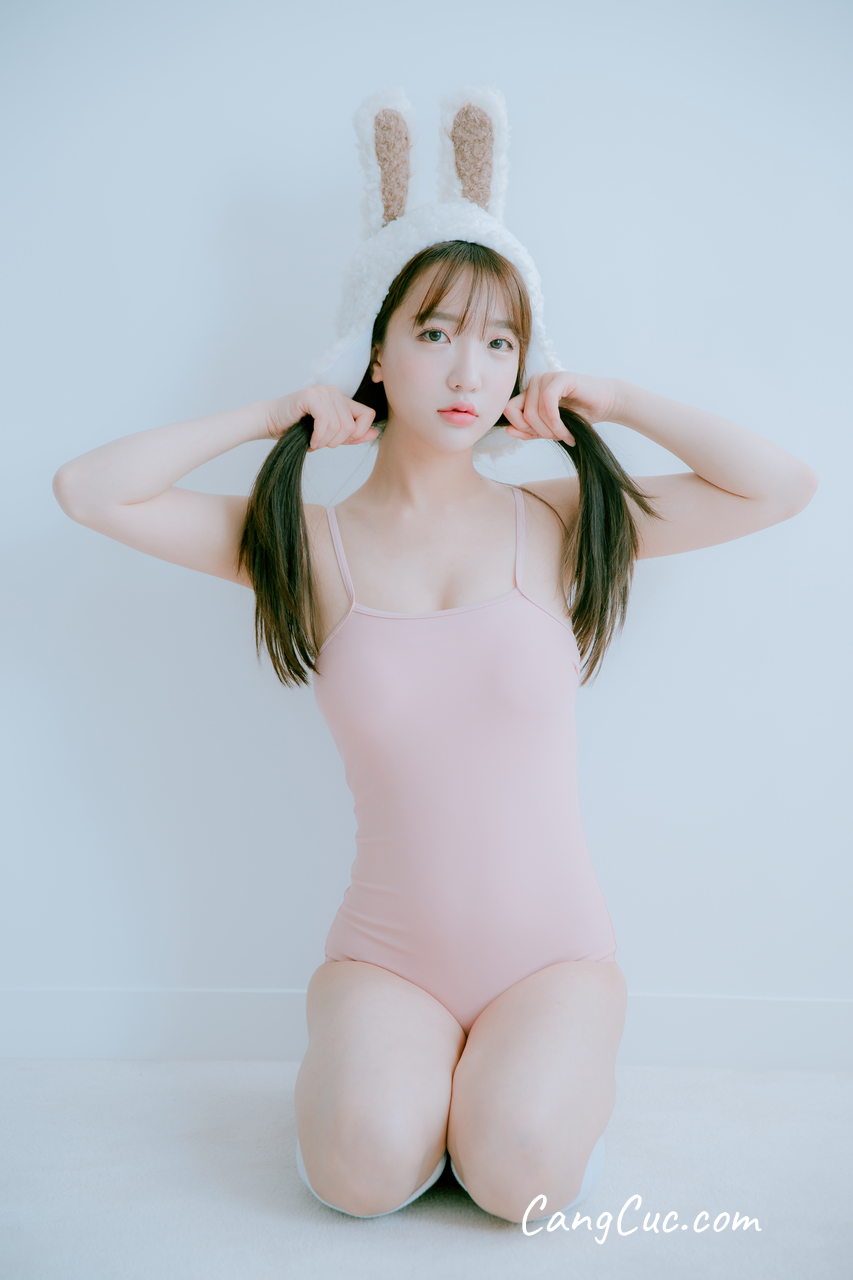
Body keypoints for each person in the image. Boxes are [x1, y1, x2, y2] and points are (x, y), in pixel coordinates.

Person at [52, 96, 818, 1228]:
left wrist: (614, 399)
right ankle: (412, 1104)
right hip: (385, 960)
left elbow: (781, 487)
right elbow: (88, 491)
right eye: (434, 332)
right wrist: (273, 416)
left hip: (551, 958)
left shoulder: (557, 519)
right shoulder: (304, 545)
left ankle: (503, 1109)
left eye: (500, 340)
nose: (470, 367)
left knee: (518, 1175)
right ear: (376, 349)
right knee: (358, 1174)